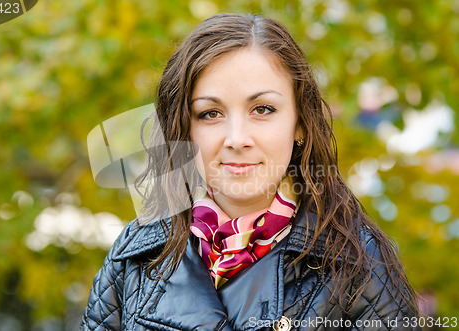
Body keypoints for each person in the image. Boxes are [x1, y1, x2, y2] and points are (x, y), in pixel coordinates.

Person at [81, 13, 420, 330]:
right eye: (210, 113)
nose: (237, 138)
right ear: (185, 130)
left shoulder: (358, 261)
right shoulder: (138, 252)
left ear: (299, 123)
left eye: (262, 109)